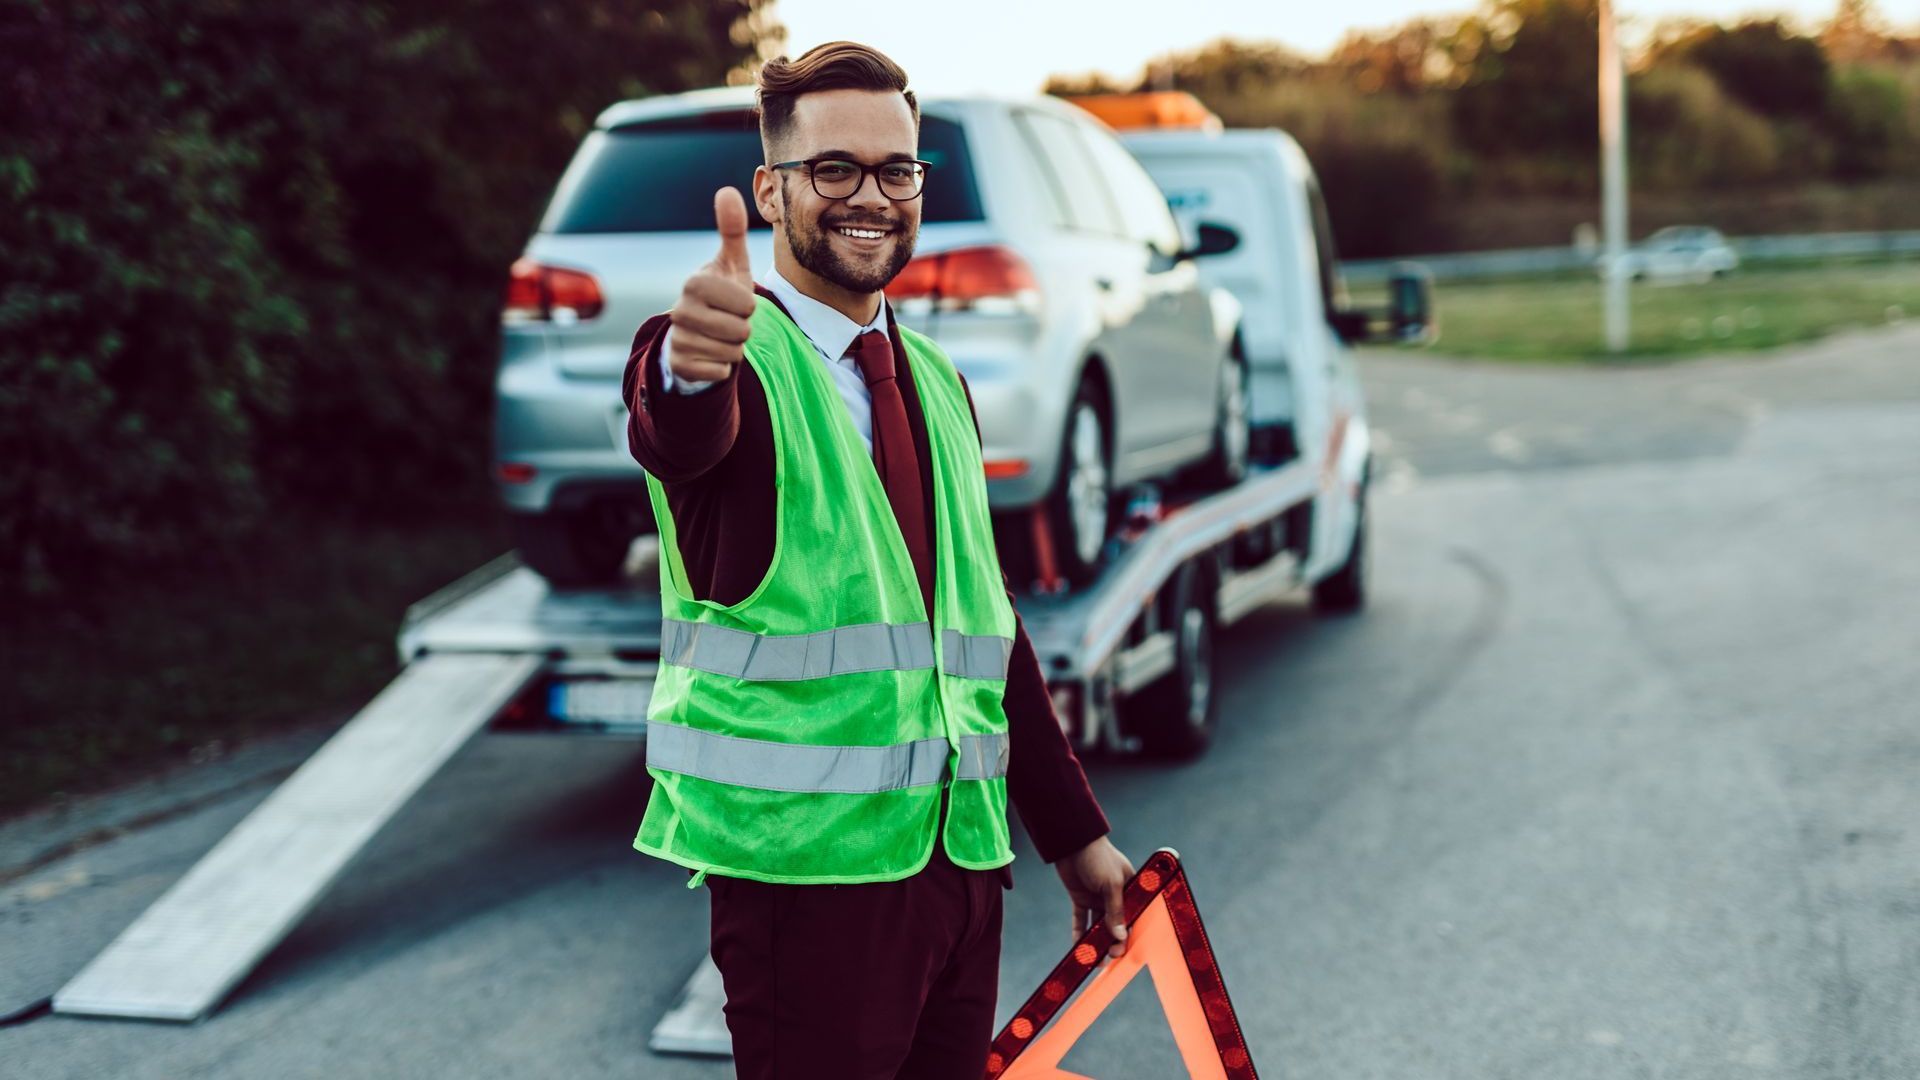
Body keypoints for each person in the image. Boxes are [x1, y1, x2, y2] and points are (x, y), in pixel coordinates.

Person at [621, 40, 1134, 1080]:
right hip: (809, 882)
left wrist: (1072, 831)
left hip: (959, 863)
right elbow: (678, 426)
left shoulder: (937, 379)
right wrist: (688, 364)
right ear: (772, 189)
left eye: (897, 170)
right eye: (834, 169)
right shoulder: (735, 359)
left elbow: (983, 626)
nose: (872, 196)